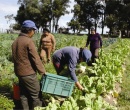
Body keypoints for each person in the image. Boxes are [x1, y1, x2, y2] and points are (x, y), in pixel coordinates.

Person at [12, 20, 46, 110]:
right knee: (36, 95)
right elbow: (36, 58)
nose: (34, 33)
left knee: (24, 94)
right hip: (28, 74)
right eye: (34, 30)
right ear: (29, 30)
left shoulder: (16, 41)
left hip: (19, 72)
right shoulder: (28, 41)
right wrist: (43, 72)